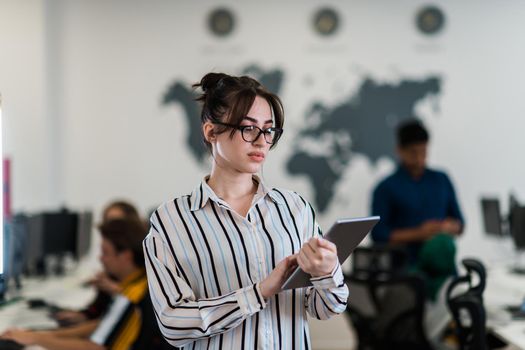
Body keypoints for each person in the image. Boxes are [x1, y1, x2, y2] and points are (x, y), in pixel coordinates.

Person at [143, 72, 349, 349]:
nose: (262, 140)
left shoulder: (295, 209)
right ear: (211, 131)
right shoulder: (171, 220)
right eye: (248, 128)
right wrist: (258, 292)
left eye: (268, 129)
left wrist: (328, 272)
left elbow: (325, 309)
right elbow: (172, 324)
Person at [1, 219, 166, 350]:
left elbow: (95, 347)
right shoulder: (141, 284)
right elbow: (104, 325)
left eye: (105, 252)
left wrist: (35, 338)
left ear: (126, 256)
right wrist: (43, 335)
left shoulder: (133, 295)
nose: (101, 258)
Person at [371, 120, 464, 299]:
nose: (420, 158)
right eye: (414, 152)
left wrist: (448, 227)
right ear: (400, 150)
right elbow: (379, 235)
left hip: (444, 270)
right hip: (407, 272)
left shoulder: (441, 180)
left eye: (423, 151)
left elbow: (460, 223)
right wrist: (420, 233)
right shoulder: (385, 188)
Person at [53, 200, 144, 326]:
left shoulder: (145, 276)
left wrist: (116, 290)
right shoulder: (112, 270)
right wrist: (84, 315)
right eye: (107, 221)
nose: (111, 227)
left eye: (116, 222)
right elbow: (98, 311)